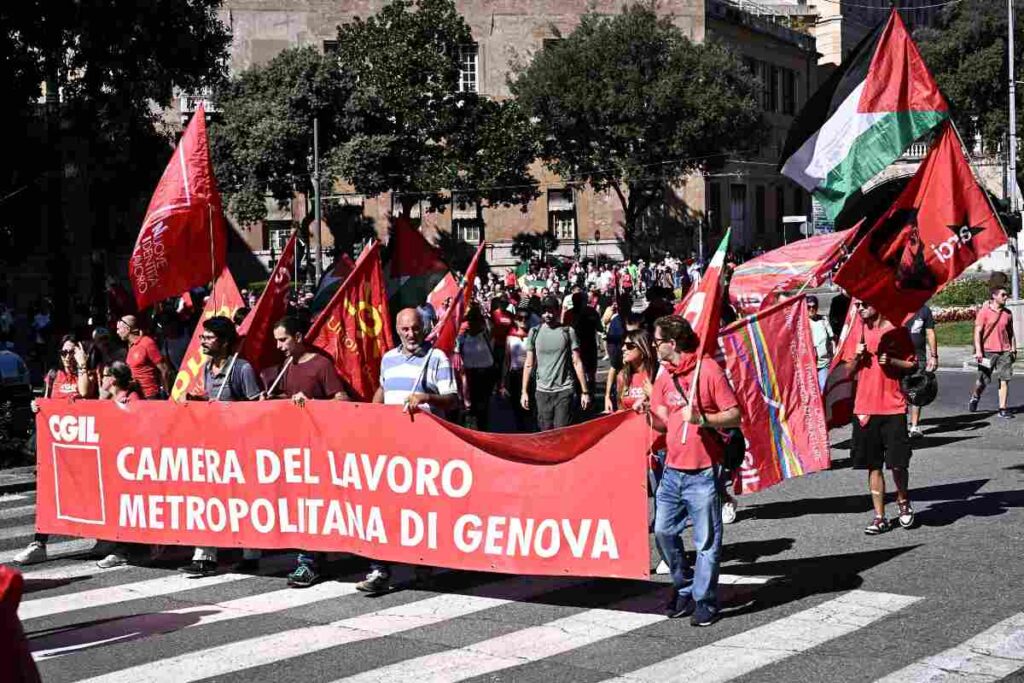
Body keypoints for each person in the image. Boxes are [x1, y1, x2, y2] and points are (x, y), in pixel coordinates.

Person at [646, 315, 740, 627]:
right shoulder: (665, 375)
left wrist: (703, 419)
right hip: (672, 471)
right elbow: (662, 421)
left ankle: (704, 600)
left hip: (703, 473)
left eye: (657, 341)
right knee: (663, 531)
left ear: (672, 343)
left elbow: (735, 414)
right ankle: (684, 585)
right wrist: (646, 412)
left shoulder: (708, 370)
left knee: (706, 541)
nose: (654, 346)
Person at [360, 308, 459, 595]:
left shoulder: (436, 357)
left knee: (419, 508)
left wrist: (427, 397)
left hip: (424, 448)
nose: (411, 334)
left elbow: (452, 399)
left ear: (424, 328)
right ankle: (379, 569)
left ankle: (423, 565)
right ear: (397, 330)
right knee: (382, 507)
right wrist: (368, 414)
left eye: (415, 328)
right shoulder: (388, 359)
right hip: (391, 446)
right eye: (405, 329)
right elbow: (383, 390)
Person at [263, 315, 349, 587]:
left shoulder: (321, 365)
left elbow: (342, 401)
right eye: (277, 341)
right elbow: (287, 399)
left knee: (312, 503)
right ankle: (311, 558)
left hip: (318, 447)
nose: (279, 346)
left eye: (283, 340)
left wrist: (313, 404)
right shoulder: (287, 365)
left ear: (299, 337)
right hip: (294, 447)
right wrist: (272, 400)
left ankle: (308, 562)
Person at [177, 316, 264, 578]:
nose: (203, 341)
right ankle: (204, 557)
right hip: (213, 448)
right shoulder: (207, 367)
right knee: (208, 499)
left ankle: (251, 554)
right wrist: (197, 401)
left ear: (224, 342)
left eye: (209, 337)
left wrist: (230, 412)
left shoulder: (242, 369)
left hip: (240, 449)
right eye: (202, 337)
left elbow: (257, 407)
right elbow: (212, 399)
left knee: (243, 501)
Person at [13, 336, 98, 566]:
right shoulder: (53, 375)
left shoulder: (90, 373)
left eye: (71, 352)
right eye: (63, 352)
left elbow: (86, 392)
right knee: (48, 494)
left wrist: (82, 364)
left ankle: (109, 540)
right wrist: (36, 406)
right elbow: (46, 401)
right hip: (58, 449)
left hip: (85, 448)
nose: (67, 356)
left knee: (93, 494)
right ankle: (39, 544)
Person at [843, 303, 917, 534]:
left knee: (898, 463)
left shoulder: (897, 330)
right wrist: (858, 356)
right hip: (865, 408)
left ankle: (903, 502)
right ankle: (880, 517)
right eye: (857, 305)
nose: (860, 308)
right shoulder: (857, 331)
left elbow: (912, 364)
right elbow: (848, 371)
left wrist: (892, 361)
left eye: (864, 304)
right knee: (872, 465)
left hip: (893, 407)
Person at [521, 296, 591, 431]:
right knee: (545, 431)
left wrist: (585, 391)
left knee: (561, 431)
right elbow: (528, 363)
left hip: (564, 390)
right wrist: (524, 392)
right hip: (542, 391)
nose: (547, 314)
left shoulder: (568, 331)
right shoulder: (534, 332)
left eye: (551, 310)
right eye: (544, 311)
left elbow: (577, 362)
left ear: (558, 311)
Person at [970, 285, 1015, 418]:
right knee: (982, 381)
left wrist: (1013, 348)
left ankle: (1002, 409)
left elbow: (1011, 333)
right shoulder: (984, 312)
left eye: (1006, 295)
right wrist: (979, 351)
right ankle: (975, 396)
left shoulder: (1008, 313)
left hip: (1004, 351)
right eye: (1003, 295)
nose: (1006, 297)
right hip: (988, 352)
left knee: (1004, 379)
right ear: (994, 296)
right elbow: (977, 332)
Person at [456, 305, 497, 430]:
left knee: (483, 406)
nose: (473, 323)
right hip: (469, 376)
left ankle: (483, 430)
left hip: (486, 375)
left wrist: (485, 315)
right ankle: (473, 429)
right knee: (470, 407)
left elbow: (492, 327)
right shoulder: (462, 338)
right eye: (471, 320)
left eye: (476, 320)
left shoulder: (485, 334)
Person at [116, 314, 172, 399]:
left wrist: (166, 393)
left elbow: (165, 370)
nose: (117, 332)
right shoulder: (131, 347)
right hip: (138, 396)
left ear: (127, 329)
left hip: (152, 396)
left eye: (119, 329)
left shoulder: (147, 343)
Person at [905, 305, 937, 437]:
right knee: (898, 392)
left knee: (917, 391)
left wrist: (934, 356)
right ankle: (899, 424)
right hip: (899, 357)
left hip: (919, 358)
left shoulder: (924, 310)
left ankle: (914, 426)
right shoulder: (897, 306)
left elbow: (930, 333)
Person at [500, 310, 531, 431]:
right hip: (515, 374)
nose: (523, 321)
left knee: (529, 405)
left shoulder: (532, 336)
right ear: (515, 320)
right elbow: (506, 361)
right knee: (516, 405)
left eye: (526, 318)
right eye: (520, 318)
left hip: (529, 375)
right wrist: (503, 382)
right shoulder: (510, 338)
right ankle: (520, 431)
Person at [807, 295, 835, 390]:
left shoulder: (823, 320)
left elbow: (832, 338)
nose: (811, 309)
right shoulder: (802, 322)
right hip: (808, 365)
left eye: (814, 306)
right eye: (808, 307)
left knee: (823, 387)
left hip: (823, 363)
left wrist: (834, 354)